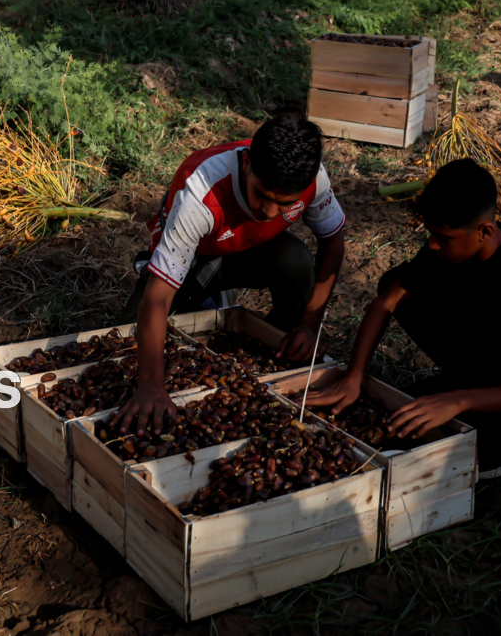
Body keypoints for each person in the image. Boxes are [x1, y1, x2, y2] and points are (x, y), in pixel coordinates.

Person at [306, 159, 501, 479]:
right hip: (490, 350)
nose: (433, 244)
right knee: (397, 284)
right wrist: (354, 375)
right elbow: (386, 302)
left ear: (485, 231)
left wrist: (459, 400)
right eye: (431, 233)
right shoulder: (452, 246)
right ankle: (465, 383)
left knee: (443, 407)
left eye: (443, 236)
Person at [114, 114, 347, 435]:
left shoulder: (312, 179)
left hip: (251, 249)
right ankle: (202, 291)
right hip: (196, 257)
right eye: (262, 195)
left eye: (284, 205)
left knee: (295, 258)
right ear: (247, 163)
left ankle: (282, 337)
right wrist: (151, 387)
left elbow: (333, 240)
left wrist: (309, 324)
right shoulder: (200, 191)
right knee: (123, 339)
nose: (268, 212)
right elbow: (157, 297)